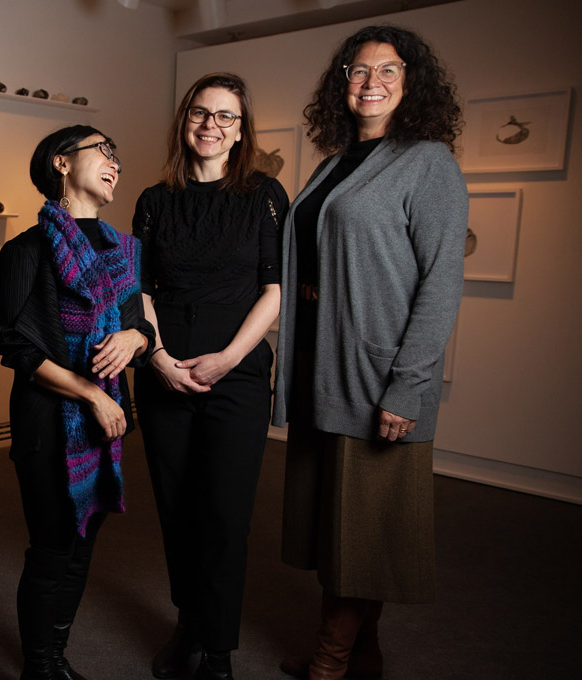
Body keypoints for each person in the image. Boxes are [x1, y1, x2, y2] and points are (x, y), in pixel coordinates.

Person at [271, 25, 467, 680]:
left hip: (376, 377)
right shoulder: (332, 164)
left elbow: (440, 287)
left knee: (361, 535)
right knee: (343, 530)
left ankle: (330, 664)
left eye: (388, 71)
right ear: (342, 82)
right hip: (322, 372)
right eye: (358, 70)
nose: (371, 82)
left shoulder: (429, 162)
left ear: (412, 84)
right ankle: (365, 657)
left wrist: (408, 387)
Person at [132, 73, 288, 680]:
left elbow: (274, 292)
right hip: (165, 369)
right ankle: (188, 626)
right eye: (202, 113)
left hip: (238, 372)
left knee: (224, 514)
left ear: (241, 130)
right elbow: (139, 290)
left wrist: (226, 358)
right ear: (184, 121)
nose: (212, 126)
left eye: (227, 117)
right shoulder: (154, 199)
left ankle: (218, 649)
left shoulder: (265, 195)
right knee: (177, 508)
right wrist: (160, 359)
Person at [0, 125, 153, 680]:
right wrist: (87, 391)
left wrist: (136, 339)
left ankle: (54, 656)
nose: (115, 163)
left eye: (118, 156)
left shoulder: (125, 251)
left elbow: (140, 330)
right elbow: (12, 341)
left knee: (83, 545)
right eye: (103, 151)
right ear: (62, 163)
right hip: (50, 423)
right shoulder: (26, 250)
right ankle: (40, 665)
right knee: (55, 546)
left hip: (105, 423)